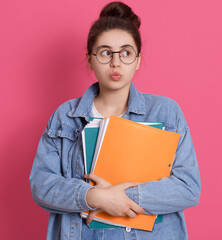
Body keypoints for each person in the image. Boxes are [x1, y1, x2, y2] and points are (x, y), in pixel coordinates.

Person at [29, 2, 201, 239]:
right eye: (105, 52)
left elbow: (188, 188)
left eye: (126, 53)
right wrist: (93, 197)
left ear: (138, 60)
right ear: (90, 59)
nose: (116, 63)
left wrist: (123, 197)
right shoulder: (64, 117)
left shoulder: (166, 113)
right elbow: (41, 185)